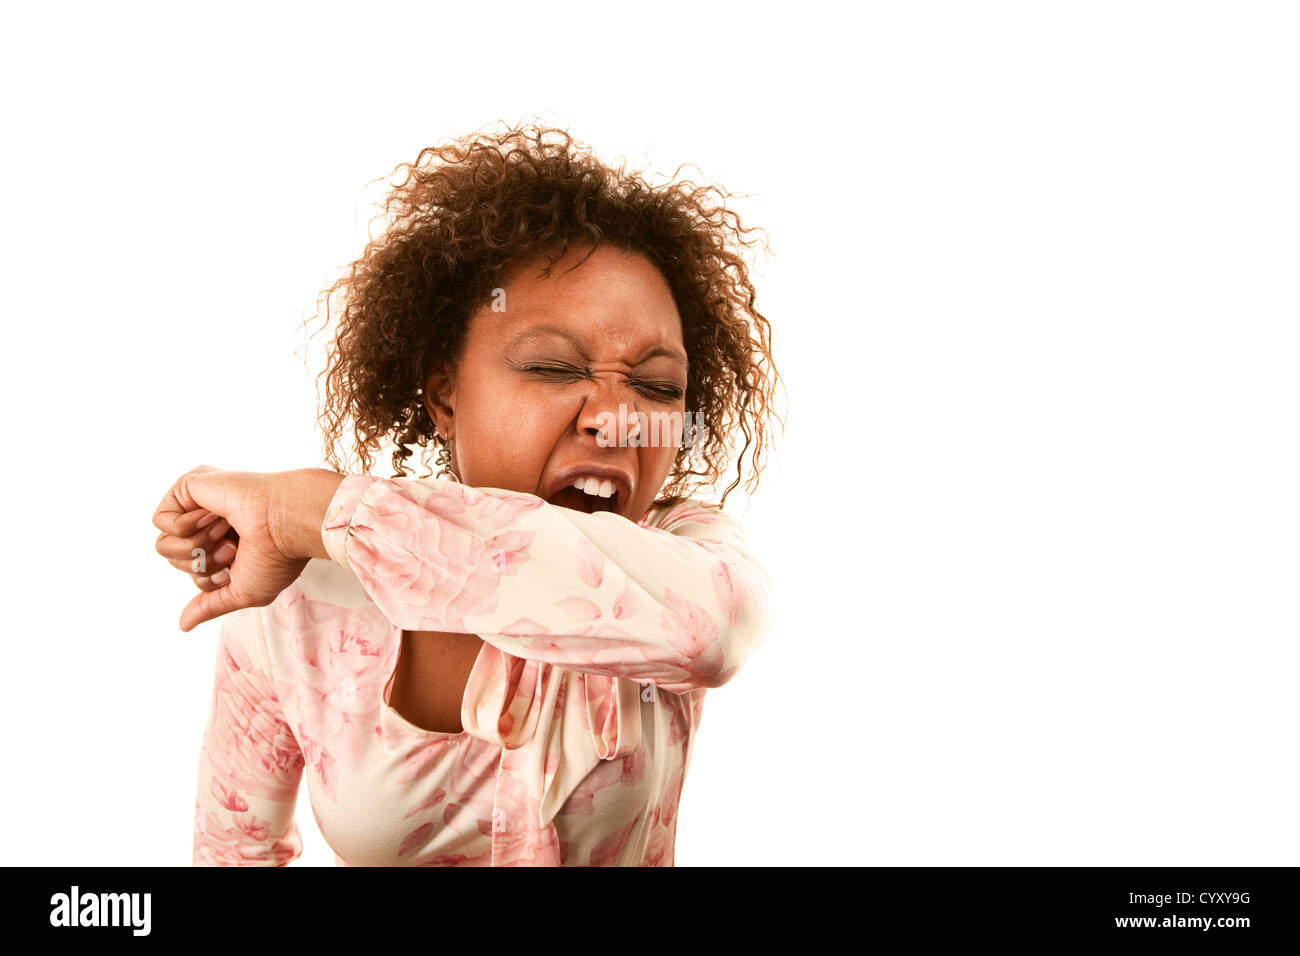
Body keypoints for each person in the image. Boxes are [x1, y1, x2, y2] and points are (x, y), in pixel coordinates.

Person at [153, 121, 782, 866]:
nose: (617, 420)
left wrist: (310, 508)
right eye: (553, 368)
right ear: (445, 395)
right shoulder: (304, 601)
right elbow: (231, 851)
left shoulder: (682, 553)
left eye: (656, 386)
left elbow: (709, 628)